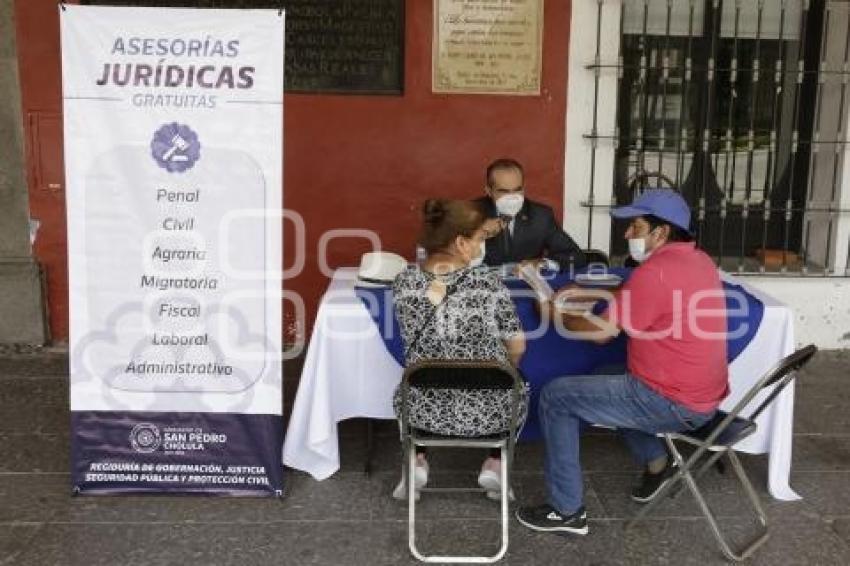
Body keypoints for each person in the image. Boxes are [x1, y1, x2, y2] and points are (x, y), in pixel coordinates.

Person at [515, 189, 729, 536]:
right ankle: (660, 464)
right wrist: (586, 293)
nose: (628, 234)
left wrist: (552, 314)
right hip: (703, 395)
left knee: (556, 396)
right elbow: (639, 294)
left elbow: (601, 333)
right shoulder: (698, 261)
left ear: (661, 233)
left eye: (637, 227)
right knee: (607, 374)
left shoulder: (655, 272)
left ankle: (565, 510)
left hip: (671, 401)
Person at [392, 199, 528, 501]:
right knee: (516, 380)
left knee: (418, 376)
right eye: (480, 238)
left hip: (421, 410)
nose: (482, 247)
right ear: (460, 242)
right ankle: (495, 463)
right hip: (490, 413)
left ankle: (415, 459)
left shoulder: (403, 282)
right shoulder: (489, 283)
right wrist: (506, 364)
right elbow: (517, 347)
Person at [474, 158, 586, 272]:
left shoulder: (540, 216)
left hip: (526, 285)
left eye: (517, 190)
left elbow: (576, 257)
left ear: (524, 188)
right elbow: (455, 259)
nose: (512, 197)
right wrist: (478, 233)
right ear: (488, 191)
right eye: (504, 191)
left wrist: (542, 264)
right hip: (483, 286)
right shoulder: (472, 213)